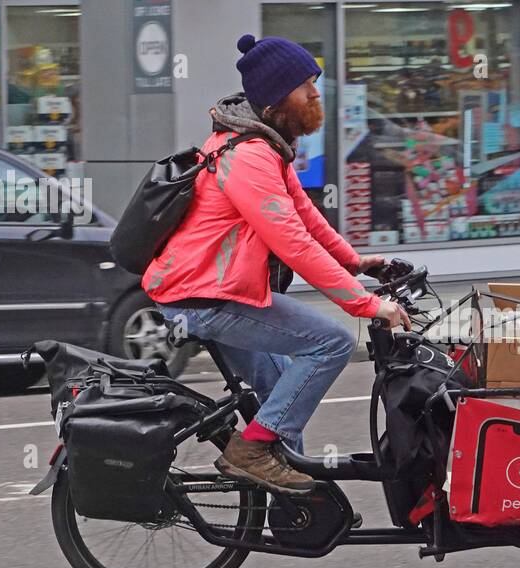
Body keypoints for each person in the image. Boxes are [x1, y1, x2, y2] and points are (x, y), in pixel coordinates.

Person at [144, 34, 410, 496]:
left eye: (314, 82)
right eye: (304, 84)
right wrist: (365, 305)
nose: (314, 93)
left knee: (277, 391)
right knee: (330, 343)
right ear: (274, 99)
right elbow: (292, 245)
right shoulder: (247, 157)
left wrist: (358, 262)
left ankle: (293, 510)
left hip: (213, 293)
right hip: (203, 299)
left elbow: (306, 219)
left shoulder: (266, 147)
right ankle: (249, 454)